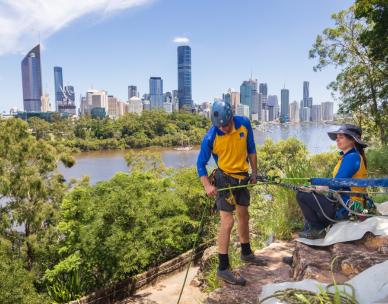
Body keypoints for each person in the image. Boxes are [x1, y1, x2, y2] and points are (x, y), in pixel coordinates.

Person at [196, 100, 267, 286]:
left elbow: (251, 149)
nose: (224, 129)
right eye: (220, 126)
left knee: (244, 215)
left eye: (227, 125)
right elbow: (200, 164)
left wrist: (254, 173)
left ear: (231, 117)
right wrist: (207, 186)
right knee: (228, 221)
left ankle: (246, 253)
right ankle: (223, 268)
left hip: (242, 177)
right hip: (224, 179)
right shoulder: (210, 137)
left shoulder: (244, 123)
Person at [297, 124, 368, 239]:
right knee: (305, 191)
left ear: (352, 141)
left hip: (347, 208)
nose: (337, 139)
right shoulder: (349, 157)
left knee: (302, 194)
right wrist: (318, 187)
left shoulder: (352, 157)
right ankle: (315, 227)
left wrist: (318, 188)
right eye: (337, 137)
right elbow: (337, 182)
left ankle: (317, 228)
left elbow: (336, 184)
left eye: (341, 137)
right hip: (342, 203)